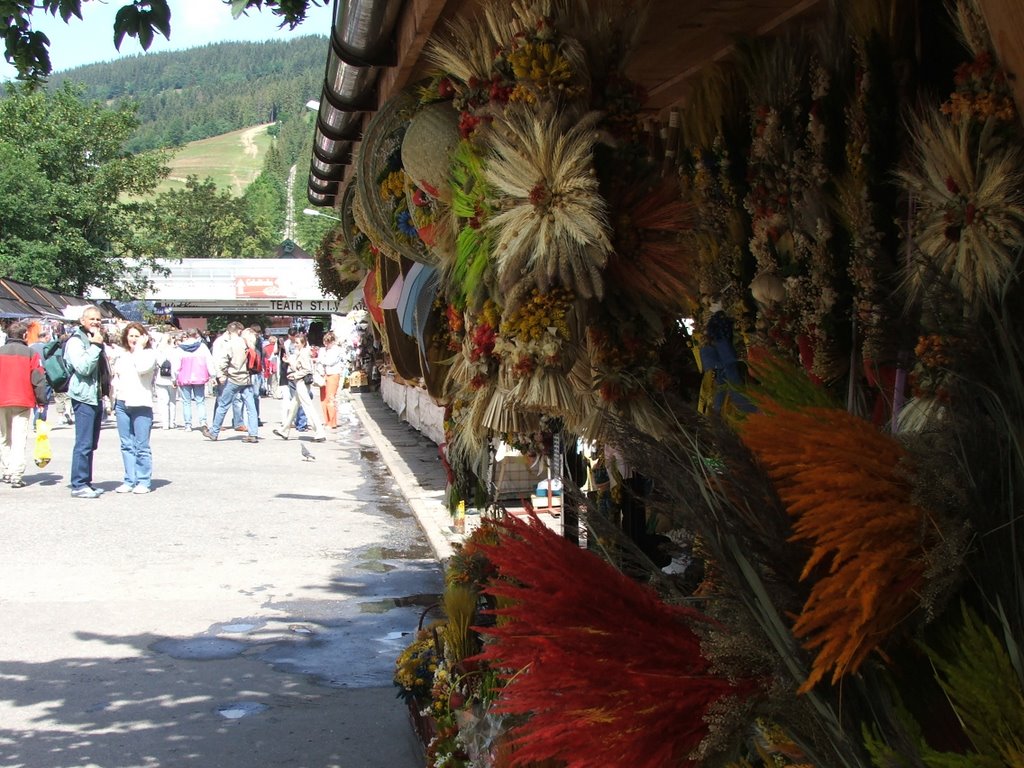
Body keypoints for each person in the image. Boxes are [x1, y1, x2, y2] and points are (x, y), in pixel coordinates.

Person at [64, 305, 111, 498]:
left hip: (95, 396)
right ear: (82, 321)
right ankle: (79, 484)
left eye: (98, 319)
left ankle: (86, 481)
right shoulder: (76, 342)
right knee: (83, 443)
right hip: (83, 397)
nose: (96, 322)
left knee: (91, 443)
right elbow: (83, 368)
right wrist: (95, 347)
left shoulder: (94, 339)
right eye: (91, 319)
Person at [0, 321, 48, 488]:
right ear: (25, 335)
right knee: (19, 438)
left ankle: (6, 470)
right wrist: (41, 400)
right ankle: (16, 474)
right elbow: (38, 379)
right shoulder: (30, 354)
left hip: (1, 400)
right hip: (22, 400)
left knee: (4, 437)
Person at [111, 322, 157, 494]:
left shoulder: (149, 354)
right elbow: (117, 377)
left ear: (144, 338)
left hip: (141, 403)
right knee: (126, 444)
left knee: (141, 445)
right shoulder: (123, 355)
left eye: (137, 336)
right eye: (131, 336)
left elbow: (142, 368)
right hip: (122, 402)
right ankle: (129, 479)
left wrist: (139, 349)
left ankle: (143, 481)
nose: (133, 339)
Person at [200, 321, 259, 443]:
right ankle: (253, 433)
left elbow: (223, 361)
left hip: (234, 378)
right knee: (251, 406)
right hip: (246, 379)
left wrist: (221, 375)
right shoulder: (249, 343)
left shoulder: (232, 344)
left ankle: (214, 432)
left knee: (223, 405)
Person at [273, 331, 327, 442]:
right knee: (293, 407)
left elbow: (307, 369)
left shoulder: (303, 353)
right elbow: (300, 367)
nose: (295, 344)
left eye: (297, 342)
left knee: (308, 408)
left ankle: (319, 432)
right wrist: (289, 362)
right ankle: (284, 430)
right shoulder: (302, 352)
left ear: (303, 343)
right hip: (300, 382)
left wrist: (295, 375)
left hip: (302, 382)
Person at [174, 328, 215, 431]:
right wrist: (213, 375)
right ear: (196, 335)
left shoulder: (180, 348)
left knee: (186, 402)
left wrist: (174, 378)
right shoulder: (202, 347)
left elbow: (176, 366)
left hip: (184, 377)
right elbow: (209, 361)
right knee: (200, 401)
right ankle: (203, 422)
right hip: (199, 376)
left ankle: (188, 424)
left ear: (187, 335)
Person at [153, 331, 179, 429]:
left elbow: (154, 366)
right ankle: (172, 422)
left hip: (160, 379)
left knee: (163, 402)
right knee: (172, 401)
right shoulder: (174, 351)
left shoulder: (157, 351)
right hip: (172, 379)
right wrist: (174, 379)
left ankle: (165, 423)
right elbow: (176, 367)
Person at [318, 331, 344, 429]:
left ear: (333, 341)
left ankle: (332, 422)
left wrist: (320, 360)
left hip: (333, 374)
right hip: (323, 375)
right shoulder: (322, 350)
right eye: (325, 341)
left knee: (330, 398)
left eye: (328, 341)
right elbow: (320, 362)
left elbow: (330, 361)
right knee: (323, 399)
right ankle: (327, 420)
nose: (326, 344)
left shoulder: (337, 350)